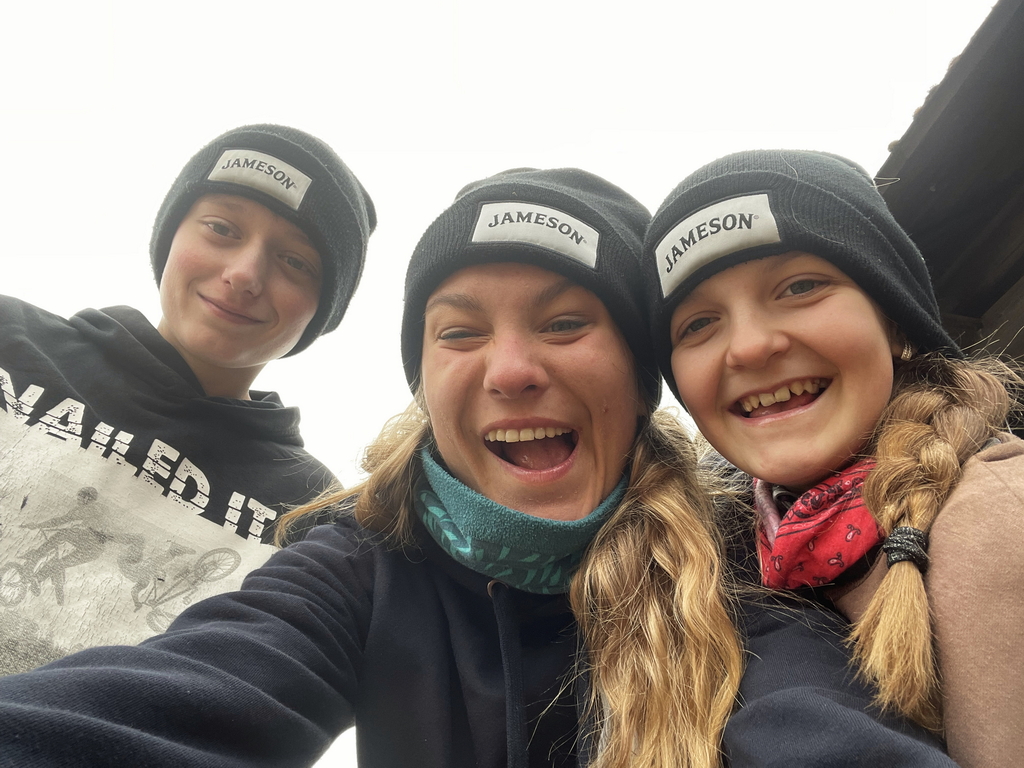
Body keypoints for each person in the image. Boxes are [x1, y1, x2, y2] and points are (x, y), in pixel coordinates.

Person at [0, 168, 955, 768]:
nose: (510, 370)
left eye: (565, 323)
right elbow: (182, 695)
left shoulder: (736, 573)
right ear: (425, 384)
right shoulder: (357, 563)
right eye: (459, 333)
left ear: (641, 381)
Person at [641, 148, 1022, 767]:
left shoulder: (1002, 523)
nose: (750, 347)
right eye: (699, 324)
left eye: (800, 287)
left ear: (896, 322)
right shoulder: (709, 565)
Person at [0, 124, 376, 673]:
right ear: (171, 235)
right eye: (222, 229)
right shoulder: (10, 337)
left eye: (295, 262)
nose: (243, 274)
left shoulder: (317, 516)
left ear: (321, 310)